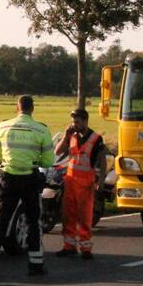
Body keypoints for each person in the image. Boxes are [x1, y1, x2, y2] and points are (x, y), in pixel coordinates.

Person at [0, 95, 54, 278]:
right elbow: (48, 161)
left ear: (17, 108)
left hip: (8, 178)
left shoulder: (3, 126)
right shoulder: (41, 129)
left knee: (2, 220)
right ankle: (35, 265)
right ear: (33, 109)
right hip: (30, 179)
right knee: (33, 222)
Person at [55, 108, 107, 260]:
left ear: (85, 121)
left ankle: (85, 248)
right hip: (70, 181)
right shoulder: (72, 136)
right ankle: (69, 246)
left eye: (77, 122)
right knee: (68, 215)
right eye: (73, 122)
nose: (74, 125)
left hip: (85, 183)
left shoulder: (96, 139)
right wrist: (66, 136)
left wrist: (101, 181)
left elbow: (102, 161)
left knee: (84, 217)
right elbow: (58, 152)